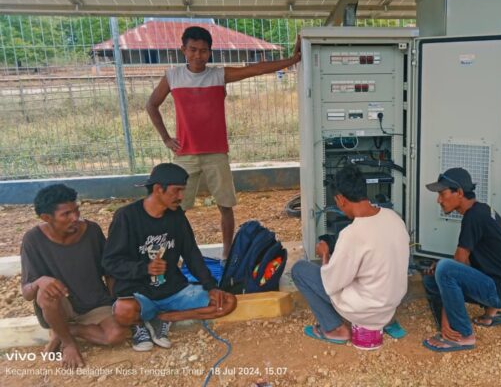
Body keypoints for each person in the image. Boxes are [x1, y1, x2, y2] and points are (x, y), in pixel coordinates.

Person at [146, 26, 302, 260]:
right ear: (183, 50)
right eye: (193, 50)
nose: (198, 55)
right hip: (185, 155)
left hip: (216, 153)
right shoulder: (172, 77)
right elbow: (151, 105)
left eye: (203, 51)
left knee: (225, 205)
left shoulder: (219, 75)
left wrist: (292, 59)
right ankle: (176, 254)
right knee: (176, 208)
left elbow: (255, 70)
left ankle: (227, 253)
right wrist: (166, 138)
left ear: (210, 52)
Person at [102, 163, 236, 351]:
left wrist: (211, 286)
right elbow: (110, 262)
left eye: (183, 190)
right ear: (158, 189)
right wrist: (145, 268)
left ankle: (164, 319)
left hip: (174, 291)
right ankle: (139, 325)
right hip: (139, 292)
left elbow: (191, 253)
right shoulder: (127, 217)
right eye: (177, 191)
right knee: (123, 312)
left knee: (227, 302)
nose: (181, 197)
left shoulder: (176, 216)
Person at [291, 165, 410, 350]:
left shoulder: (352, 234)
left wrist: (325, 255)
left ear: (341, 199)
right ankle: (386, 323)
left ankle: (334, 329)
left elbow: (332, 282)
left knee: (299, 270)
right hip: (389, 307)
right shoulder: (394, 218)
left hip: (365, 311)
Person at [20, 184, 128, 368]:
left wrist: (118, 301)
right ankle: (68, 342)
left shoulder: (92, 230)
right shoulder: (33, 240)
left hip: (95, 302)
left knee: (116, 335)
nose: (75, 217)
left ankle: (66, 330)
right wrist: (40, 281)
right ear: (46, 218)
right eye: (66, 214)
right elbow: (27, 293)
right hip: (61, 305)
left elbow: (109, 270)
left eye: (76, 210)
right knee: (45, 291)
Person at [422, 168, 501, 352]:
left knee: (443, 269)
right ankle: (489, 315)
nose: (439, 200)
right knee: (436, 273)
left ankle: (461, 333)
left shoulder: (473, 217)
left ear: (459, 192)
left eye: (442, 194)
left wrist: (446, 320)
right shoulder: (481, 210)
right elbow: (494, 261)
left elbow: (457, 264)